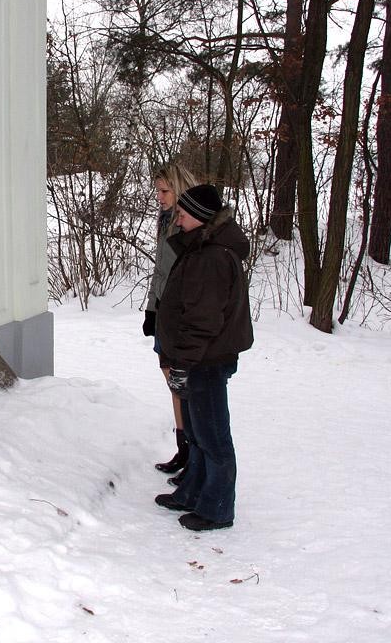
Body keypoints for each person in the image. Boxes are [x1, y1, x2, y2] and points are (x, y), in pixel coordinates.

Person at [154, 184, 253, 532]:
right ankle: (193, 492)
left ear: (198, 216)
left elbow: (203, 320)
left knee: (212, 436)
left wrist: (182, 362)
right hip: (197, 359)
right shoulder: (201, 247)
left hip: (206, 361)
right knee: (197, 432)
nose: (177, 220)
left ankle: (217, 509)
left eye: (181, 215)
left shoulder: (212, 257)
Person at [143, 162, 199, 475]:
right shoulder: (166, 221)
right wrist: (152, 309)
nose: (160, 197)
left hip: (180, 317)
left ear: (180, 187)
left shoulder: (190, 226)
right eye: (158, 191)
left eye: (164, 191)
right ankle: (183, 448)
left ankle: (193, 450)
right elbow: (160, 271)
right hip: (164, 312)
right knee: (171, 378)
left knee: (184, 384)